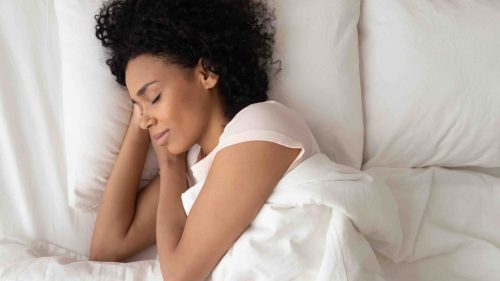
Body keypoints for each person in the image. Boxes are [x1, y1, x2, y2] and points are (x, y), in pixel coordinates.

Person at [89, 0, 320, 280]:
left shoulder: (260, 125)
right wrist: (145, 121)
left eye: (154, 97)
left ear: (206, 72)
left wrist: (171, 168)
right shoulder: (194, 165)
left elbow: (179, 275)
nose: (144, 119)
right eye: (138, 107)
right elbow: (106, 248)